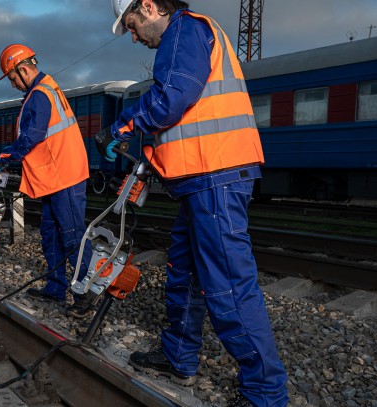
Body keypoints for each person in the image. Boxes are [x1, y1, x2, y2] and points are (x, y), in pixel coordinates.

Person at [99, 1, 288, 406]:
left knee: (230, 287)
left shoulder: (183, 31)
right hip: (199, 177)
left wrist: (122, 125)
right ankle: (179, 356)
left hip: (215, 175)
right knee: (183, 273)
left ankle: (265, 394)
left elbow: (173, 97)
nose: (134, 36)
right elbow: (185, 110)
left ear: (148, 6)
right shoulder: (190, 35)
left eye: (132, 25)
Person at [0, 44, 95, 318]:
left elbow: (32, 137)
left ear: (23, 70)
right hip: (54, 176)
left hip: (65, 175)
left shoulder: (39, 95)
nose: (13, 85)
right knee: (51, 233)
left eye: (13, 78)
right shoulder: (46, 89)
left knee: (72, 236)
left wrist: (6, 155)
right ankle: (57, 286)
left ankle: (86, 295)